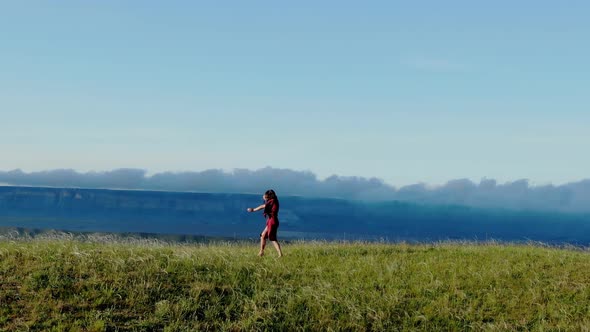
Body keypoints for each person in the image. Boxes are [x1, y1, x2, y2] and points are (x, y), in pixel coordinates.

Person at [247, 189, 283, 257]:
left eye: (266, 197)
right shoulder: (272, 201)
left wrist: (253, 209)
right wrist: (265, 199)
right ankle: (261, 252)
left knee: (272, 238)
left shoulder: (273, 201)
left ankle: (280, 255)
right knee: (263, 235)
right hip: (271, 221)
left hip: (272, 221)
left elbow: (263, 206)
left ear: (270, 196)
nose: (265, 198)